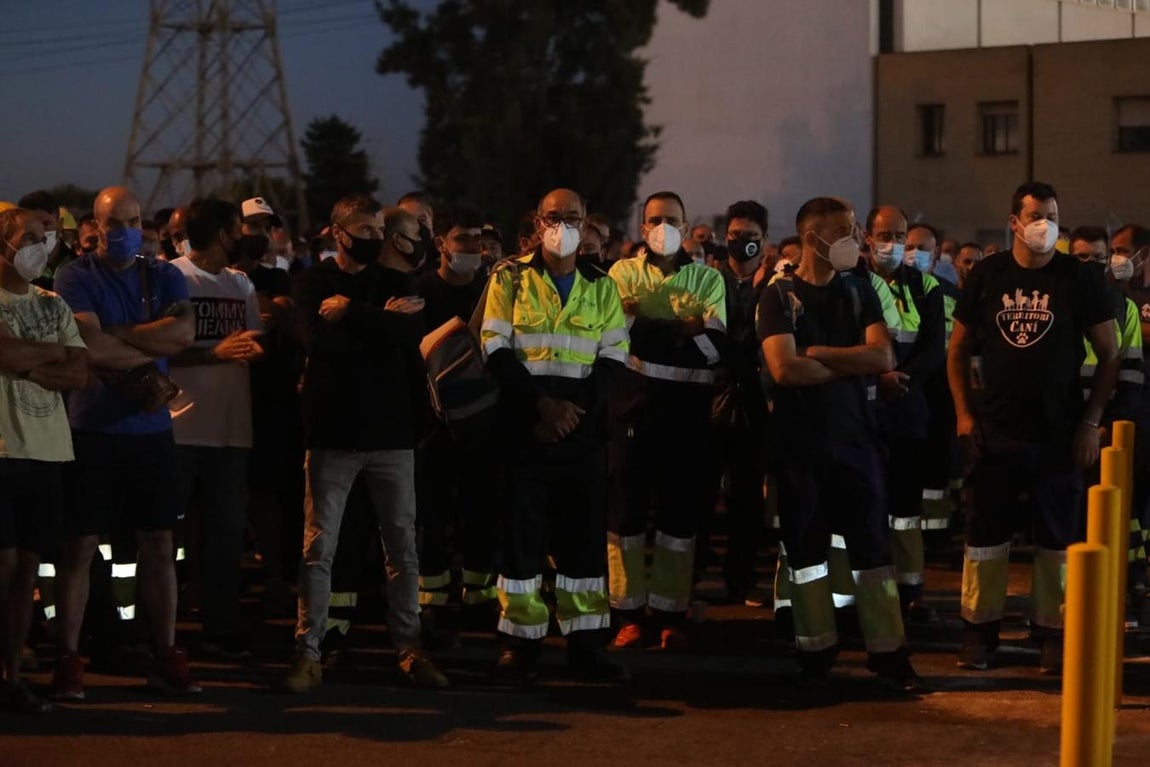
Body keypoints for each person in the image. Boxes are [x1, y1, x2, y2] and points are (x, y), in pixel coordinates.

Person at [948, 181, 1119, 674]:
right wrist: (964, 413)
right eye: (1036, 215)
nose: (1045, 224)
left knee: (1057, 544)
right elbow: (957, 350)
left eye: (1052, 215)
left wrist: (1090, 422)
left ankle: (1052, 634)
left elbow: (1108, 355)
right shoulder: (987, 275)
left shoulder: (1078, 280)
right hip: (995, 431)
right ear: (1014, 222)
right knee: (984, 540)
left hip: (1058, 434)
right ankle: (980, 633)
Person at [282, 195, 446, 692]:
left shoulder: (395, 282)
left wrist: (352, 312)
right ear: (338, 232)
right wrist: (379, 324)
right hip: (333, 436)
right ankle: (307, 652)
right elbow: (317, 342)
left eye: (380, 228)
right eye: (365, 229)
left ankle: (410, 648)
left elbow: (410, 330)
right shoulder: (313, 282)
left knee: (402, 550)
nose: (375, 237)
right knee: (319, 548)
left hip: (392, 436)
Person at [759, 196, 922, 690]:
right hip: (800, 448)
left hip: (857, 442)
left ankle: (888, 654)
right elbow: (784, 369)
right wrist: (852, 360)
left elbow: (883, 356)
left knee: (873, 552)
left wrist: (822, 354)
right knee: (806, 556)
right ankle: (816, 652)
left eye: (854, 229)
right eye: (845, 230)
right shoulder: (779, 296)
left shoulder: (859, 290)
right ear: (812, 238)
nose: (855, 239)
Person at [52, 186, 199, 699]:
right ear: (94, 226)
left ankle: (166, 652)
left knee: (159, 544)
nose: (127, 232)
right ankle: (69, 659)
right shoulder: (74, 276)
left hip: (151, 434)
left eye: (135, 221)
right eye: (116, 223)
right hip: (91, 431)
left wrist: (116, 337)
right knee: (79, 548)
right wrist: (142, 337)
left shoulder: (163, 273)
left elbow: (183, 334)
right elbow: (86, 345)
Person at [480, 187, 629, 683]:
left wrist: (572, 412)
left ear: (587, 224)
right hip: (524, 427)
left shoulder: (601, 284)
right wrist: (542, 406)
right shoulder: (510, 276)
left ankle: (586, 643)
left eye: (572, 217)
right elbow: (494, 347)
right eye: (552, 216)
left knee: (583, 540)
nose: (562, 225)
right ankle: (519, 645)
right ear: (537, 222)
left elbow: (613, 357)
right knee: (520, 538)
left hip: (581, 431)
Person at [607, 191, 727, 650]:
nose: (663, 226)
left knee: (679, 519)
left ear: (685, 222)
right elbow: (616, 333)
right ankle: (628, 614)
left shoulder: (707, 279)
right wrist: (684, 325)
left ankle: (671, 614)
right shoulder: (621, 273)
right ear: (642, 228)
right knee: (626, 518)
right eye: (655, 219)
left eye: (671, 219)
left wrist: (645, 322)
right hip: (632, 411)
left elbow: (714, 347)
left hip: (686, 415)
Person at [0, 208, 89, 713]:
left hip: (48, 451)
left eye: (45, 238)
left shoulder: (54, 304)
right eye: (28, 238)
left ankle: (13, 676)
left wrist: (25, 358)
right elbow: (3, 354)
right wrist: (48, 356)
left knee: (27, 572)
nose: (41, 246)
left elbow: (79, 372)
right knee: (3, 567)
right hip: (4, 450)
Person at [167, 197, 264, 659]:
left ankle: (220, 626)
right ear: (224, 233)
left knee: (225, 538)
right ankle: (163, 629)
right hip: (178, 428)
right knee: (164, 538)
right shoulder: (173, 277)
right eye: (238, 229)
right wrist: (213, 354)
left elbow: (249, 341)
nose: (242, 237)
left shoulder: (241, 284)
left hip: (231, 430)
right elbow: (155, 350)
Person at [414, 205, 500, 639]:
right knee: (432, 518)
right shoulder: (422, 293)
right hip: (433, 429)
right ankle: (432, 606)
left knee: (480, 514)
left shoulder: (493, 290)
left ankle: (479, 599)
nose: (472, 248)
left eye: (477, 239)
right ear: (440, 245)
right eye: (462, 239)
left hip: (485, 426)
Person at [864, 207, 946, 623]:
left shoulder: (926, 286)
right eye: (885, 235)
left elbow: (934, 348)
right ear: (867, 236)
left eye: (899, 235)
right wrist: (879, 377)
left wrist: (903, 377)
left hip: (908, 408)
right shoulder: (854, 282)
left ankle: (910, 590)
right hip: (864, 408)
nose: (892, 244)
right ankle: (869, 591)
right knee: (866, 502)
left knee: (905, 507)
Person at [709, 200, 770, 603]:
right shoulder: (710, 281)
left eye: (750, 237)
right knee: (699, 490)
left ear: (763, 240)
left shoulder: (776, 285)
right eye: (734, 236)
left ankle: (741, 579)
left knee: (747, 496)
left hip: (755, 400)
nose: (741, 243)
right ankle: (690, 578)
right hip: (711, 396)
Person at [17, 191, 72, 290]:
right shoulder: (12, 272)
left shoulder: (82, 267)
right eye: (31, 226)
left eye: (46, 224)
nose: (40, 232)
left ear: (59, 225)